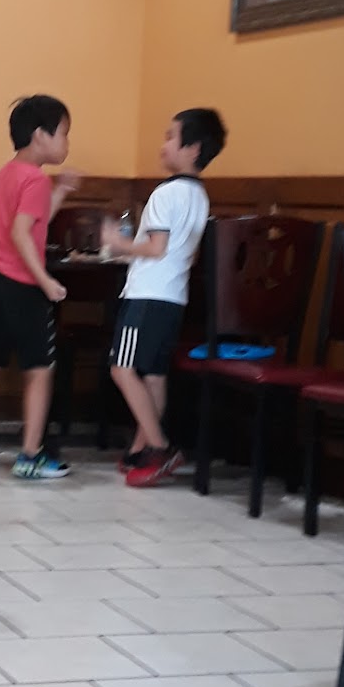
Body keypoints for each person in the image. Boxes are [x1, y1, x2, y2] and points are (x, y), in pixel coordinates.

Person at [0, 94, 78, 480]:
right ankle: (30, 455)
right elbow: (22, 233)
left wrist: (60, 192)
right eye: (64, 133)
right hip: (23, 286)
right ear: (41, 136)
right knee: (39, 370)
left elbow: (31, 221)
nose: (66, 143)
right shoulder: (36, 180)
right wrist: (45, 281)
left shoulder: (7, 174)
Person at [109, 106, 227, 489]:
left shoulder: (165, 193)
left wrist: (119, 244)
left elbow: (156, 247)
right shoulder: (200, 196)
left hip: (146, 295)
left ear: (193, 148)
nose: (164, 144)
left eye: (170, 137)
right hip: (174, 297)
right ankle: (140, 450)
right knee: (154, 376)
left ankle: (159, 446)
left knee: (122, 369)